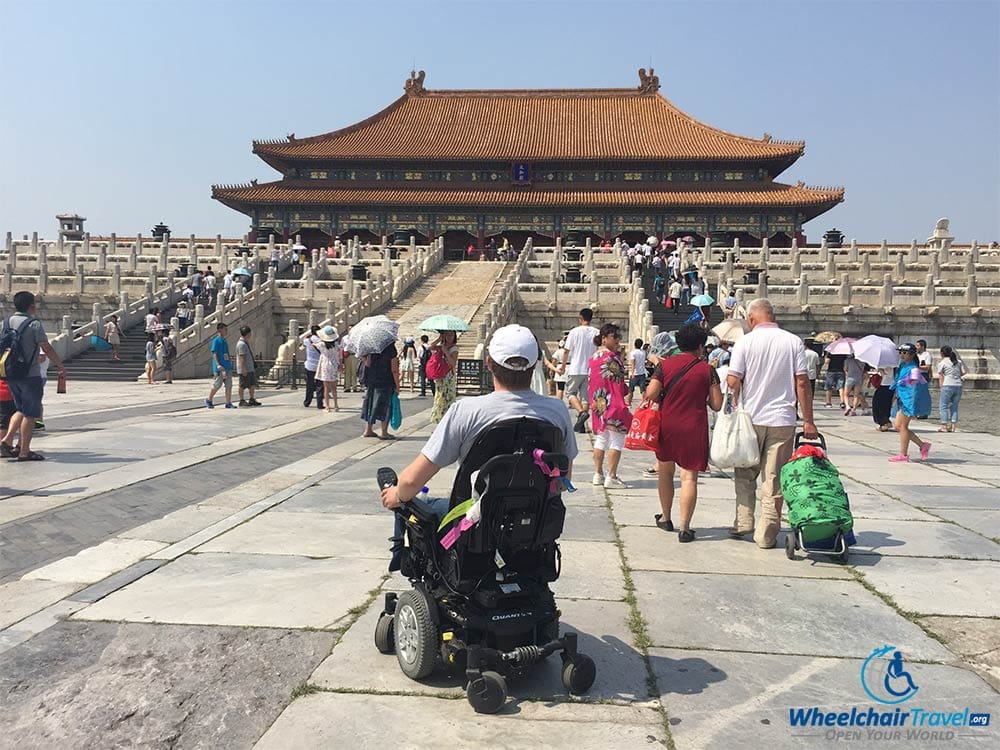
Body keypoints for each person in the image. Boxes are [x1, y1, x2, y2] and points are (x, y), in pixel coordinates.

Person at [380, 324, 578, 572]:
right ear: (537, 362)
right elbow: (563, 477)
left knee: (413, 501)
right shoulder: (556, 411)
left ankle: (402, 558)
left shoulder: (467, 411)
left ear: (489, 363)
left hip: (473, 521)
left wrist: (396, 495)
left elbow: (411, 481)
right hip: (533, 521)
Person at [726, 298, 818, 549]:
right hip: (782, 419)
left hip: (750, 419)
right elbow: (802, 383)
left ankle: (743, 521)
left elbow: (733, 382)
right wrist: (808, 421)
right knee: (774, 477)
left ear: (752, 319)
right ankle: (767, 533)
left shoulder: (745, 342)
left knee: (745, 472)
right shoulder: (793, 341)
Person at [645, 324, 723, 542]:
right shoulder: (707, 370)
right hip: (694, 427)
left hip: (668, 425)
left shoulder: (665, 366)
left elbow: (651, 393)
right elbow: (717, 404)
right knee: (689, 478)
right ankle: (685, 528)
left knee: (665, 472)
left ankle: (666, 517)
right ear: (700, 346)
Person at [1, 291, 65, 461]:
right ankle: (24, 451)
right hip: (30, 375)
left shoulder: (5, 323)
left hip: (10, 373)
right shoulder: (34, 324)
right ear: (31, 305)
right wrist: (59, 364)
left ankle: (7, 440)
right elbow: (47, 347)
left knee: (20, 409)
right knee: (31, 413)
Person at [588, 323, 631, 489]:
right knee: (616, 441)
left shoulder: (593, 358)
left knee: (601, 439)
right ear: (604, 339)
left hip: (598, 403)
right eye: (614, 337)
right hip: (613, 403)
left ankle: (598, 473)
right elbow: (619, 384)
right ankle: (611, 476)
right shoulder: (612, 359)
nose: (618, 340)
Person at [888, 343, 931, 462]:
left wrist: (911, 404)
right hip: (902, 399)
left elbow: (914, 388)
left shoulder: (913, 369)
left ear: (911, 355)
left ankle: (904, 454)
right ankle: (922, 445)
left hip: (908, 401)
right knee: (898, 426)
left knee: (902, 426)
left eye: (904, 353)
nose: (901, 355)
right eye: (900, 352)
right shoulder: (902, 365)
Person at [561, 308, 600, 433]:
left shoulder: (574, 332)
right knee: (585, 397)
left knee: (570, 393)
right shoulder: (597, 332)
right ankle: (581, 425)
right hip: (590, 369)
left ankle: (581, 413)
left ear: (580, 318)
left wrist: (562, 365)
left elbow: (566, 350)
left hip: (576, 367)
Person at [361, 339, 399, 439]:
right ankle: (384, 432)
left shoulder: (372, 346)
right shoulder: (390, 348)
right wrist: (397, 385)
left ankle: (368, 430)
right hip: (386, 381)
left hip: (372, 381)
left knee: (371, 405)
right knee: (385, 406)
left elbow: (367, 363)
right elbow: (394, 369)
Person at [429, 330, 460, 423]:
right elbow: (430, 347)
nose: (449, 337)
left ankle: (446, 422)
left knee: (447, 399)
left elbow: (453, 363)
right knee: (439, 398)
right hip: (440, 376)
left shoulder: (454, 348)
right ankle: (439, 422)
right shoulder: (441, 346)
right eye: (447, 335)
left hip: (448, 377)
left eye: (451, 335)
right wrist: (439, 338)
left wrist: (446, 352)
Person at [937, 345, 966, 432]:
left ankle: (944, 426)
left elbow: (940, 376)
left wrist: (941, 387)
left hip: (947, 384)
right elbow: (963, 372)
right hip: (958, 385)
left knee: (943, 406)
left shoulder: (942, 363)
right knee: (954, 406)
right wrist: (956, 375)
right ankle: (953, 426)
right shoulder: (958, 361)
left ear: (942, 353)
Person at [205, 322, 234, 409]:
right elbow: (214, 353)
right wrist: (218, 365)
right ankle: (209, 399)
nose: (226, 331)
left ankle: (228, 402)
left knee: (229, 384)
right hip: (220, 367)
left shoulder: (224, 341)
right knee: (218, 384)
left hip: (227, 366)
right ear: (219, 330)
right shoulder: (216, 341)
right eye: (225, 329)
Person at [315, 325, 341, 412]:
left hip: (325, 364)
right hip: (334, 364)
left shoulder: (321, 344)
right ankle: (336, 405)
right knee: (334, 387)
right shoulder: (336, 345)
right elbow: (339, 352)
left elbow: (314, 344)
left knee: (326, 387)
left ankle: (327, 406)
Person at [236, 325, 261, 407]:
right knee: (242, 385)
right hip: (245, 368)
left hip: (250, 368)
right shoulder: (241, 344)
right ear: (248, 333)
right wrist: (243, 369)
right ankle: (241, 400)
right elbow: (241, 357)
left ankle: (251, 399)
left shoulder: (245, 343)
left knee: (252, 384)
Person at [300, 324, 324, 409]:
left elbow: (303, 342)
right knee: (320, 385)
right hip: (319, 365)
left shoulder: (307, 340)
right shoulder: (321, 341)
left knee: (309, 384)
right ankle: (319, 403)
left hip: (309, 364)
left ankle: (307, 401)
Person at [626, 338, 647, 406]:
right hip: (642, 373)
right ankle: (644, 402)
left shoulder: (633, 352)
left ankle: (629, 403)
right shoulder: (644, 352)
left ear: (635, 344)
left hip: (635, 373)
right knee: (643, 390)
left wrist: (632, 373)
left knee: (631, 390)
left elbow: (633, 363)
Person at [341, 325, 359, 393]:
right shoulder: (344, 338)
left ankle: (354, 386)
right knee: (347, 372)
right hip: (347, 355)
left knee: (354, 371)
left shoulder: (357, 337)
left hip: (354, 355)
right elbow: (342, 347)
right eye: (349, 329)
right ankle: (347, 387)